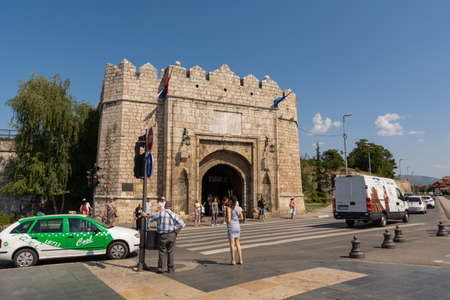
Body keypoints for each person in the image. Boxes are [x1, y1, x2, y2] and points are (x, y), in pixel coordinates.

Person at [147, 197, 185, 273]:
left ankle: (161, 268)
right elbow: (182, 224)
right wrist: (177, 231)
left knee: (162, 251)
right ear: (170, 207)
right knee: (170, 252)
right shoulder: (174, 214)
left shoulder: (160, 213)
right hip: (172, 235)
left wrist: (145, 215)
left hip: (162, 235)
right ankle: (170, 269)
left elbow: (150, 219)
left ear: (164, 206)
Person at [226, 197, 243, 265]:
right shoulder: (239, 208)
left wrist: (225, 220)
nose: (228, 201)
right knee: (238, 243)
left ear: (231, 201)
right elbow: (242, 217)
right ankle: (241, 260)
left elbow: (229, 220)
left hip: (232, 227)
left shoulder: (229, 208)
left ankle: (233, 260)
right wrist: (236, 219)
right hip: (237, 226)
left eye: (229, 200)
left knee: (232, 244)